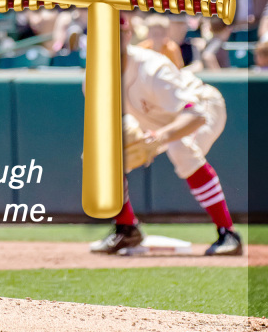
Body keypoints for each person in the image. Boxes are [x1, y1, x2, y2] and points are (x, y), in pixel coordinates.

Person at [93, 15, 243, 256]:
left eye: (116, 35)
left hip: (203, 105)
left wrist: (159, 137)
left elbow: (195, 116)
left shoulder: (151, 68)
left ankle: (228, 234)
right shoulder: (95, 78)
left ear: (128, 35)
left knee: (180, 148)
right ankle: (127, 228)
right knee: (103, 156)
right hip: (155, 120)